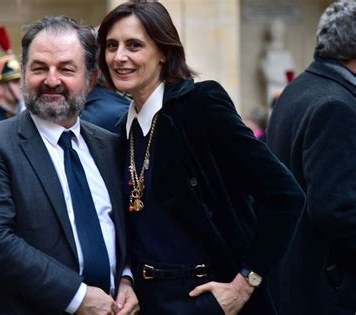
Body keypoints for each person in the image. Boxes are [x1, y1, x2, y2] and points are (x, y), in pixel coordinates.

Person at [97, 2, 305, 315]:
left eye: (134, 45)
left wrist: (244, 284)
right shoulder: (120, 130)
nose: (119, 57)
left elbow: (285, 196)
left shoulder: (199, 107)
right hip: (149, 303)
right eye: (111, 46)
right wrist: (127, 278)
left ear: (164, 51)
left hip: (209, 300)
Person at [0, 16, 139, 315]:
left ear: (91, 79)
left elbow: (131, 228)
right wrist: (78, 297)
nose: (51, 80)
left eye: (67, 69)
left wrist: (127, 277)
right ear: (23, 75)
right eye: (39, 68)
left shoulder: (112, 146)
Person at [266, 2, 356, 314]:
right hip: (331, 289)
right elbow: (336, 212)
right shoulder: (336, 105)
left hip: (295, 281)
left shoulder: (297, 89)